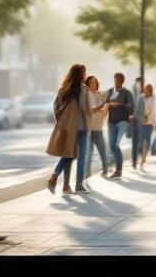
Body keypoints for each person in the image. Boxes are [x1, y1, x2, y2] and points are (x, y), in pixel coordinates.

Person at [47, 64, 91, 195]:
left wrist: (63, 121)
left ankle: (55, 175)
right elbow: (84, 108)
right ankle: (79, 185)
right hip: (80, 127)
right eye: (84, 73)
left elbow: (55, 106)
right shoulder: (82, 89)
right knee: (82, 156)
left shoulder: (64, 88)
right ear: (81, 74)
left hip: (67, 127)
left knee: (68, 154)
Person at [105, 72, 134, 179]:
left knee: (116, 144)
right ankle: (117, 167)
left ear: (122, 81)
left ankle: (118, 170)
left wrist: (120, 105)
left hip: (122, 122)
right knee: (112, 146)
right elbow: (105, 104)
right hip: (111, 122)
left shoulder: (127, 93)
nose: (117, 81)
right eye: (115, 79)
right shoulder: (109, 91)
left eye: (119, 80)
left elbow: (131, 108)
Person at [84, 75, 111, 181]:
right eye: (92, 82)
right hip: (90, 127)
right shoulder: (87, 95)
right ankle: (89, 172)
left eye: (95, 82)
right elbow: (91, 110)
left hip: (98, 126)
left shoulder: (98, 94)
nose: (94, 84)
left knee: (99, 150)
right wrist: (102, 105)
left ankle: (102, 169)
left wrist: (105, 108)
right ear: (88, 84)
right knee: (92, 151)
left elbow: (102, 110)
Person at [137, 83, 155, 171]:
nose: (146, 91)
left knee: (147, 141)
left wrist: (145, 115)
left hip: (149, 122)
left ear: (150, 91)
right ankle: (142, 157)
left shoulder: (152, 98)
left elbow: (150, 109)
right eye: (145, 89)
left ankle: (143, 157)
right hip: (142, 122)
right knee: (140, 142)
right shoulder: (141, 97)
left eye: (148, 90)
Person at [130, 76, 144, 170]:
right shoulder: (132, 93)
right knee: (134, 142)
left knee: (140, 142)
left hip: (141, 121)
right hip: (133, 121)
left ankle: (141, 160)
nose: (138, 85)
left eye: (140, 83)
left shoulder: (144, 93)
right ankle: (134, 161)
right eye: (137, 83)